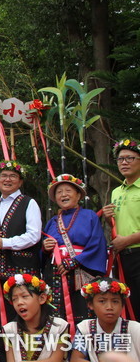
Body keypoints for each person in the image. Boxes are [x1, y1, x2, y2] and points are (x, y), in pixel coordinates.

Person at [42, 174, 108, 325]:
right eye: (59, 192)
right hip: (56, 273)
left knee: (83, 312)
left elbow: (97, 244)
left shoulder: (89, 216)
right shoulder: (52, 221)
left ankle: (83, 346)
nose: (63, 194)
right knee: (56, 314)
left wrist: (74, 262)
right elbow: (44, 246)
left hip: (82, 272)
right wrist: (45, 248)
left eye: (68, 191)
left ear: (78, 195)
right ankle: (59, 346)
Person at [0, 160, 42, 325]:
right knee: (2, 313)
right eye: (3, 175)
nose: (7, 179)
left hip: (23, 268)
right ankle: (5, 350)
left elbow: (34, 235)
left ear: (20, 181)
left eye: (13, 176)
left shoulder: (29, 203)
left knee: (26, 313)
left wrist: (5, 243)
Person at [103, 138, 140, 319]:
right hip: (123, 257)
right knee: (128, 305)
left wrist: (127, 240)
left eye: (130, 158)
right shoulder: (117, 191)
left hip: (137, 250)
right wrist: (110, 220)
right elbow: (120, 224)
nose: (124, 162)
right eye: (120, 159)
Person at [1, 274, 68, 362]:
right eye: (14, 299)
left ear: (42, 298)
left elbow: (56, 359)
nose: (19, 302)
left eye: (24, 296)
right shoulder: (9, 330)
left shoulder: (59, 326)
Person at [71, 277, 140, 362]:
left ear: (122, 305)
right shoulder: (85, 328)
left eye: (115, 301)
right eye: (102, 301)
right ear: (90, 304)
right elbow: (76, 359)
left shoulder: (136, 329)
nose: (109, 307)